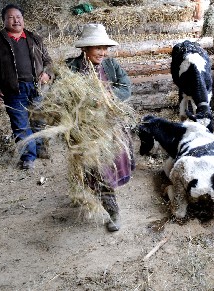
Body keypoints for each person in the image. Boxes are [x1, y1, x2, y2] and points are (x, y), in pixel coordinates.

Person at [66, 23, 133, 232]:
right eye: (98, 48)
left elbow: (126, 86)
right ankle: (106, 205)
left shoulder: (111, 66)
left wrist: (109, 98)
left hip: (110, 126)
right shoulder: (71, 69)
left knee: (106, 168)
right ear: (85, 49)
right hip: (85, 129)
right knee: (94, 168)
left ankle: (111, 209)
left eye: (105, 48)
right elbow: (63, 98)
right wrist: (84, 102)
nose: (103, 52)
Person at [0, 4, 53, 170]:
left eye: (18, 17)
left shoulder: (34, 38)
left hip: (37, 87)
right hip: (13, 90)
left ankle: (41, 149)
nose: (16, 20)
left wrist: (47, 74)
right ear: (4, 20)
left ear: (23, 19)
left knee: (39, 121)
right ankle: (28, 156)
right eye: (11, 17)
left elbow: (48, 62)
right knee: (20, 125)